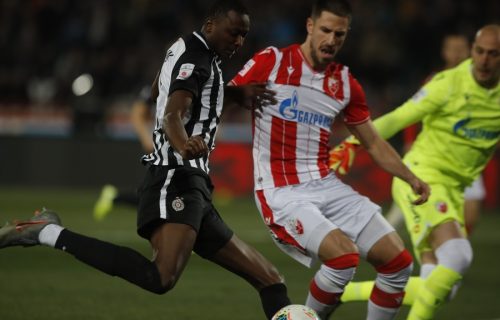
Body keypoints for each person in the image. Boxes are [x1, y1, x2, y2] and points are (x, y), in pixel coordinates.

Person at [0, 1, 292, 319]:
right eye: (233, 32)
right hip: (176, 177)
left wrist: (234, 95)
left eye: (244, 35)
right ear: (211, 25)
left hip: (193, 184)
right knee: (161, 277)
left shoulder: (184, 49)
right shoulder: (197, 60)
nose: (238, 42)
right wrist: (183, 143)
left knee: (270, 279)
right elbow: (170, 114)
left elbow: (157, 91)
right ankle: (46, 231)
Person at [230, 0, 430, 319]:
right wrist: (233, 95)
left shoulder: (345, 83)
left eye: (340, 34)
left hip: (324, 183)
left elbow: (374, 142)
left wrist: (410, 177)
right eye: (325, 30)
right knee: (343, 258)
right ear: (310, 27)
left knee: (398, 264)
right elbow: (222, 95)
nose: (332, 40)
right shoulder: (273, 61)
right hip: (281, 191)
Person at [329, 24, 500, 319]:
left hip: (455, 188)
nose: (484, 60)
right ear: (473, 50)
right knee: (459, 255)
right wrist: (354, 141)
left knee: (443, 287)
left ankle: (345, 293)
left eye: (493, 54)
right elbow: (398, 118)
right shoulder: (447, 84)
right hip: (423, 179)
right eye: (479, 52)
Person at [385, 33, 487, 236]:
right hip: (436, 154)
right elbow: (411, 113)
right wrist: (409, 140)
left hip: (468, 157)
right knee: (419, 205)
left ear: (470, 51)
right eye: (452, 48)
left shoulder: (484, 81)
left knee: (470, 215)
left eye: (461, 48)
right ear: (444, 52)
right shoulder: (435, 80)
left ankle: (451, 255)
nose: (457, 53)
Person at [93, 84, 156, 220]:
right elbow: (137, 113)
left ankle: (114, 197)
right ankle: (115, 197)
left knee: (155, 195)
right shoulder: (157, 85)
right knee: (156, 196)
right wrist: (146, 138)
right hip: (161, 146)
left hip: (174, 145)